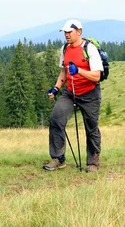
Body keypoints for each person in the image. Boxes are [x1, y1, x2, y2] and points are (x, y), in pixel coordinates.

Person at [44, 19, 103, 173]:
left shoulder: (89, 49)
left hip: (90, 92)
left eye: (70, 32)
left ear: (79, 32)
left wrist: (78, 71)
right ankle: (58, 158)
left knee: (91, 128)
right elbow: (64, 71)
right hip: (70, 92)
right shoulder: (65, 49)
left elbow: (97, 76)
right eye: (65, 32)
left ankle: (93, 162)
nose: (67, 35)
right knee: (56, 119)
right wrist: (56, 88)